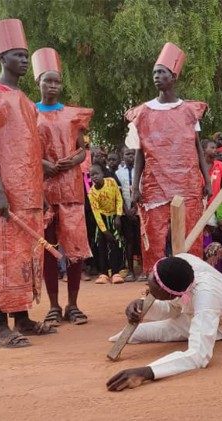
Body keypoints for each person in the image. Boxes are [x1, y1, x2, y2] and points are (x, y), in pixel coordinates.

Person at [0, 19, 55, 348]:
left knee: (28, 258)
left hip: (29, 194)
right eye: (17, 54)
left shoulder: (27, 102)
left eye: (25, 55)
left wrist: (40, 190)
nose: (23, 59)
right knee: (5, 257)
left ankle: (22, 319)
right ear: (2, 57)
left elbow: (29, 151)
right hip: (4, 196)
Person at [125, 42, 210, 277]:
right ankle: (157, 289)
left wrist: (207, 180)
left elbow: (198, 149)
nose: (156, 76)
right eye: (154, 72)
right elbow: (140, 153)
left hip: (188, 184)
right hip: (155, 186)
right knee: (154, 239)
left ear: (173, 76)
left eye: (162, 72)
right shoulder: (142, 113)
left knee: (190, 238)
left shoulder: (190, 111)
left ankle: (192, 286)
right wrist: (135, 187)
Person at [106, 254, 222, 391]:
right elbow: (173, 307)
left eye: (153, 292)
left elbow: (198, 356)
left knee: (158, 331)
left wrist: (147, 372)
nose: (148, 292)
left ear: (172, 295)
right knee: (134, 334)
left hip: (220, 323)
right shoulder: (177, 264)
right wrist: (142, 304)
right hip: (192, 306)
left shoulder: (205, 300)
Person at [31, 47, 94, 325]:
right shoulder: (29, 113)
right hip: (42, 188)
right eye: (48, 80)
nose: (53, 85)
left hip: (70, 189)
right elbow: (23, 148)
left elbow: (83, 150)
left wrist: (72, 162)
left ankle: (73, 305)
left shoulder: (73, 115)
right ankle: (53, 306)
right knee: (47, 247)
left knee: (75, 248)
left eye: (57, 81)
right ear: (38, 83)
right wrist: (41, 163)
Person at [88, 164, 125, 284]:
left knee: (115, 244)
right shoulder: (92, 193)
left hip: (114, 216)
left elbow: (119, 198)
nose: (94, 177)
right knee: (101, 246)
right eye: (92, 175)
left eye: (96, 174)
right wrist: (104, 231)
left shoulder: (111, 182)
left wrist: (118, 216)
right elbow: (96, 213)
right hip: (102, 219)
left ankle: (115, 272)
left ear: (102, 174)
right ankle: (103, 273)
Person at [116, 147, 142, 282]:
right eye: (127, 154)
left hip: (140, 213)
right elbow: (118, 194)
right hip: (126, 213)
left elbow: (142, 190)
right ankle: (131, 270)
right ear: (123, 156)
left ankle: (143, 269)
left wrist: (136, 207)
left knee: (141, 240)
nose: (130, 156)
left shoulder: (142, 172)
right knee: (129, 241)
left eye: (133, 154)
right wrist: (126, 211)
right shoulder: (118, 173)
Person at [204, 139, 222, 204]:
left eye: (216, 148)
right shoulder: (198, 166)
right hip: (200, 206)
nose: (215, 150)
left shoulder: (220, 165)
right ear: (204, 149)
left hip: (215, 206)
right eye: (212, 148)